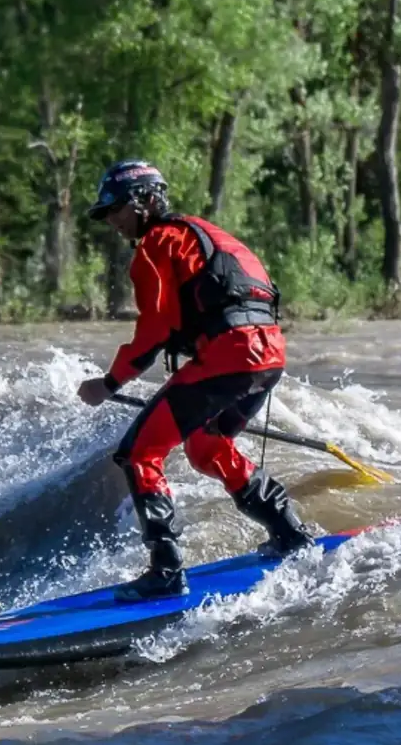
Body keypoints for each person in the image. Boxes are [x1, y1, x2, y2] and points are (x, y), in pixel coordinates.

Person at [76, 159, 314, 601]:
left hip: (228, 357)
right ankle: (289, 534)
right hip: (268, 357)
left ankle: (164, 574)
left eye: (115, 209)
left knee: (138, 453)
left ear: (146, 201)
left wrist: (107, 384)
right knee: (207, 447)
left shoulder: (156, 245)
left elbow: (153, 333)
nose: (111, 220)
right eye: (106, 212)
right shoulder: (206, 234)